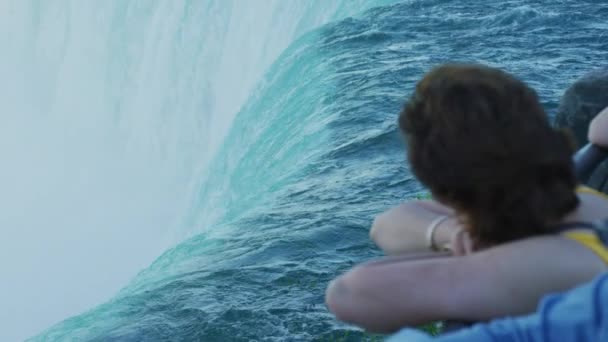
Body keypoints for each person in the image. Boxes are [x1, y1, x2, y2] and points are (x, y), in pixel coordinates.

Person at [325, 64, 608, 333]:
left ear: (444, 188)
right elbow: (385, 224)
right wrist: (448, 231)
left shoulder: (532, 267)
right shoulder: (581, 199)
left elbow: (347, 294)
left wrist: (458, 239)